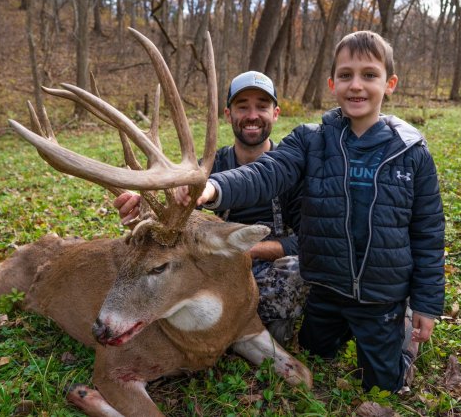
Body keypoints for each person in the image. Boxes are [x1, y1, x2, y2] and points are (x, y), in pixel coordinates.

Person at [178, 31, 445, 392]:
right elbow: (266, 171)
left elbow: (428, 232)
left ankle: (404, 332)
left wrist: (427, 304)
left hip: (381, 295)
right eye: (346, 75)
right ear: (332, 84)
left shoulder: (410, 152)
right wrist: (213, 187)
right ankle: (347, 328)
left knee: (383, 386)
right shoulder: (311, 140)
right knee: (314, 351)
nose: (356, 85)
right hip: (327, 290)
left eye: (369, 75)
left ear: (390, 83)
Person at [115, 71, 308, 346]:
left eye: (262, 106)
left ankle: (250, 322)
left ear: (275, 113)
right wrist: (142, 207)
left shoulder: (290, 171)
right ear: (228, 114)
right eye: (243, 107)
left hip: (267, 267)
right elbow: (172, 220)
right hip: (215, 268)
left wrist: (246, 248)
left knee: (300, 269)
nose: (252, 115)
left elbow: (305, 242)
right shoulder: (205, 170)